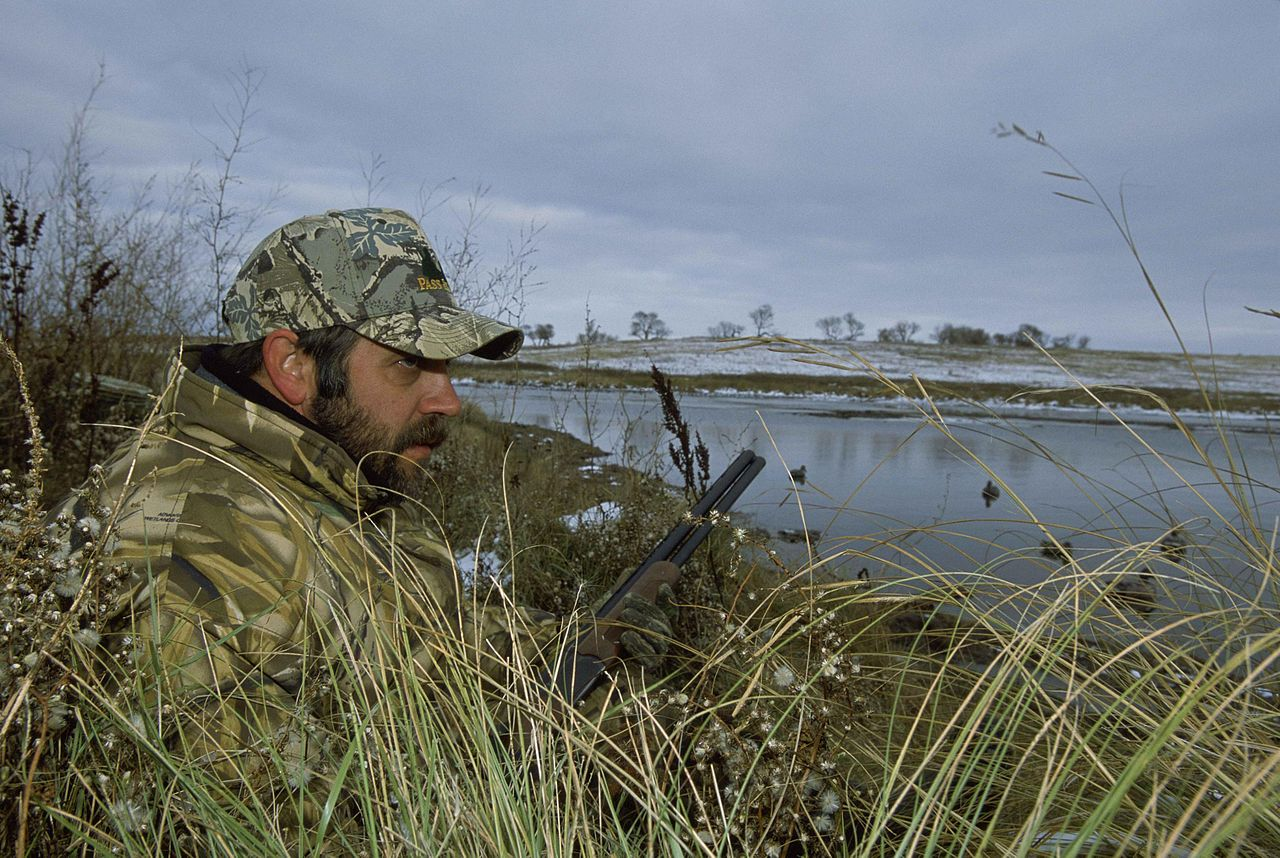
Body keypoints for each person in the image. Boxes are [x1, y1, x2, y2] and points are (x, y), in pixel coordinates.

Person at [49, 208, 671, 819]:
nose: (449, 400)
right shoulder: (177, 532)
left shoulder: (342, 479)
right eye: (408, 362)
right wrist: (549, 783)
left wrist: (570, 645)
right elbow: (271, 818)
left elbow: (425, 645)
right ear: (293, 366)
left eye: (446, 366)